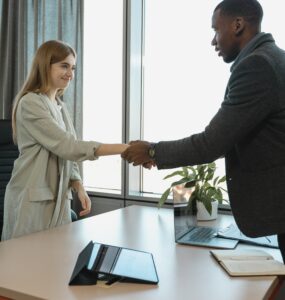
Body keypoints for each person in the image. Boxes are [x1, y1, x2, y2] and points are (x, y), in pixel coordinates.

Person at [122, 0, 285, 262]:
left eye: (216, 30)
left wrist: (152, 150)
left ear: (238, 25)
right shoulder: (274, 58)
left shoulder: (258, 66)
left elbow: (211, 143)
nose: (213, 41)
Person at [1, 40, 128, 241]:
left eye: (73, 67)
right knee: (27, 263)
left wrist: (78, 186)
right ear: (45, 65)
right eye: (64, 66)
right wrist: (125, 149)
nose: (70, 73)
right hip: (32, 199)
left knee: (56, 260)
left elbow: (67, 152)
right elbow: (68, 147)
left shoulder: (60, 106)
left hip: (58, 199)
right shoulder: (31, 103)